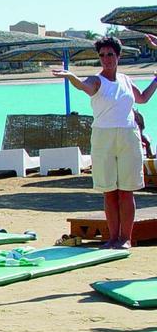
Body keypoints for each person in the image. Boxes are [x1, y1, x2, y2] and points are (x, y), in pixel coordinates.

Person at [52, 36, 157, 249]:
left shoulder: (126, 80)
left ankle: (125, 238)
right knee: (109, 191)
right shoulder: (96, 80)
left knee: (126, 191)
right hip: (103, 137)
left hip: (128, 135)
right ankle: (113, 238)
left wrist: (156, 80)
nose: (106, 59)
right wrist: (72, 77)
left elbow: (143, 98)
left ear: (118, 56)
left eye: (110, 54)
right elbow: (83, 86)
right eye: (102, 55)